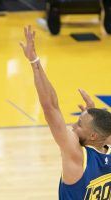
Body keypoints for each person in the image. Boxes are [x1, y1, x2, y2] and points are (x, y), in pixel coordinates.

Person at [19, 25, 111, 199]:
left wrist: (34, 61)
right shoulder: (105, 142)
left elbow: (50, 107)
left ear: (93, 136)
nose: (72, 126)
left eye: (79, 124)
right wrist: (94, 115)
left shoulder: (77, 155)